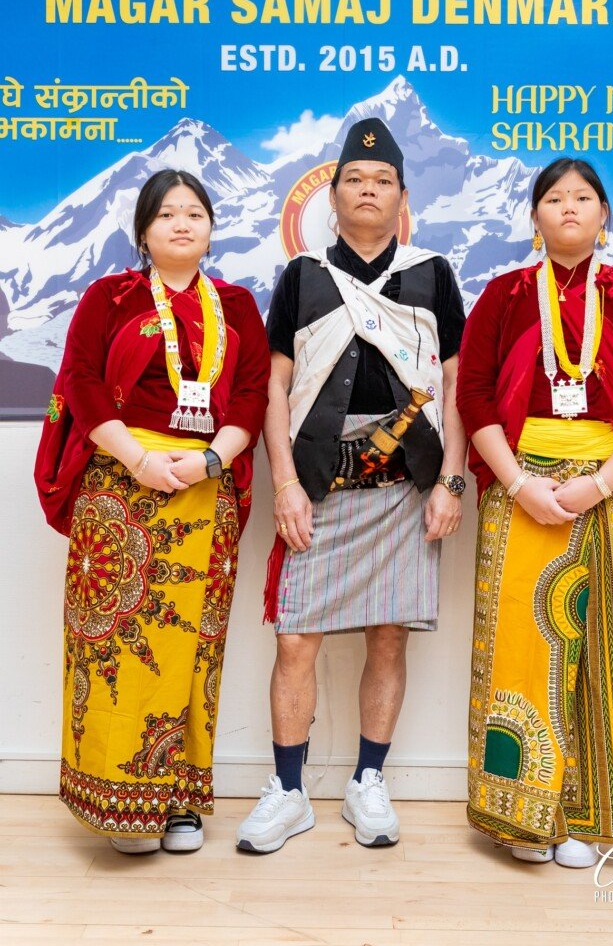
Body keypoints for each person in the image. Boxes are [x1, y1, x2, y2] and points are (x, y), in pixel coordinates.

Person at [236, 118, 467, 853]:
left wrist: (451, 481)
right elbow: (274, 388)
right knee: (295, 638)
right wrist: (284, 483)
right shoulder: (303, 276)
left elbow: (456, 385)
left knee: (389, 636)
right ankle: (289, 791)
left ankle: (369, 780)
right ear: (332, 196)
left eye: (383, 181)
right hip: (318, 480)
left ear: (403, 198)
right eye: (355, 180)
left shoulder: (432, 274)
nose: (369, 190)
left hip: (407, 482)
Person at [35, 169, 270, 854]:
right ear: (143, 231)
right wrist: (139, 460)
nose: (181, 223)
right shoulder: (109, 297)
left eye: (194, 212)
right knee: (114, 649)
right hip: (119, 486)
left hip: (204, 489)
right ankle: (114, 800)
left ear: (211, 228)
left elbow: (252, 394)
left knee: (194, 647)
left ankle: (178, 801)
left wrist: (213, 461)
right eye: (166, 214)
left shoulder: (237, 305)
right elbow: (81, 382)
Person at [456, 157, 613, 869]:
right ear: (535, 217)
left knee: (604, 654)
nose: (569, 208)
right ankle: (520, 817)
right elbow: (474, 395)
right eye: (554, 198)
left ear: (604, 215)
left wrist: (603, 483)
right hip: (520, 489)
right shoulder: (504, 295)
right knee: (521, 653)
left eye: (583, 197)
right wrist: (520, 484)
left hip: (606, 492)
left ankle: (587, 819)